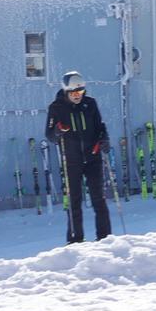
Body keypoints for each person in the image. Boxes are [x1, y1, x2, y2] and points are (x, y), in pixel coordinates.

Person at [46, 70, 112, 243]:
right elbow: (50, 135)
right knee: (74, 202)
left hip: (93, 158)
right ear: (66, 91)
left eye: (81, 92)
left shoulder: (90, 104)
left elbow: (100, 127)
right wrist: (58, 132)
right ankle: (76, 240)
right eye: (74, 93)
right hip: (72, 160)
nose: (78, 96)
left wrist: (104, 140)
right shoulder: (56, 108)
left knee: (99, 199)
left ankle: (105, 238)